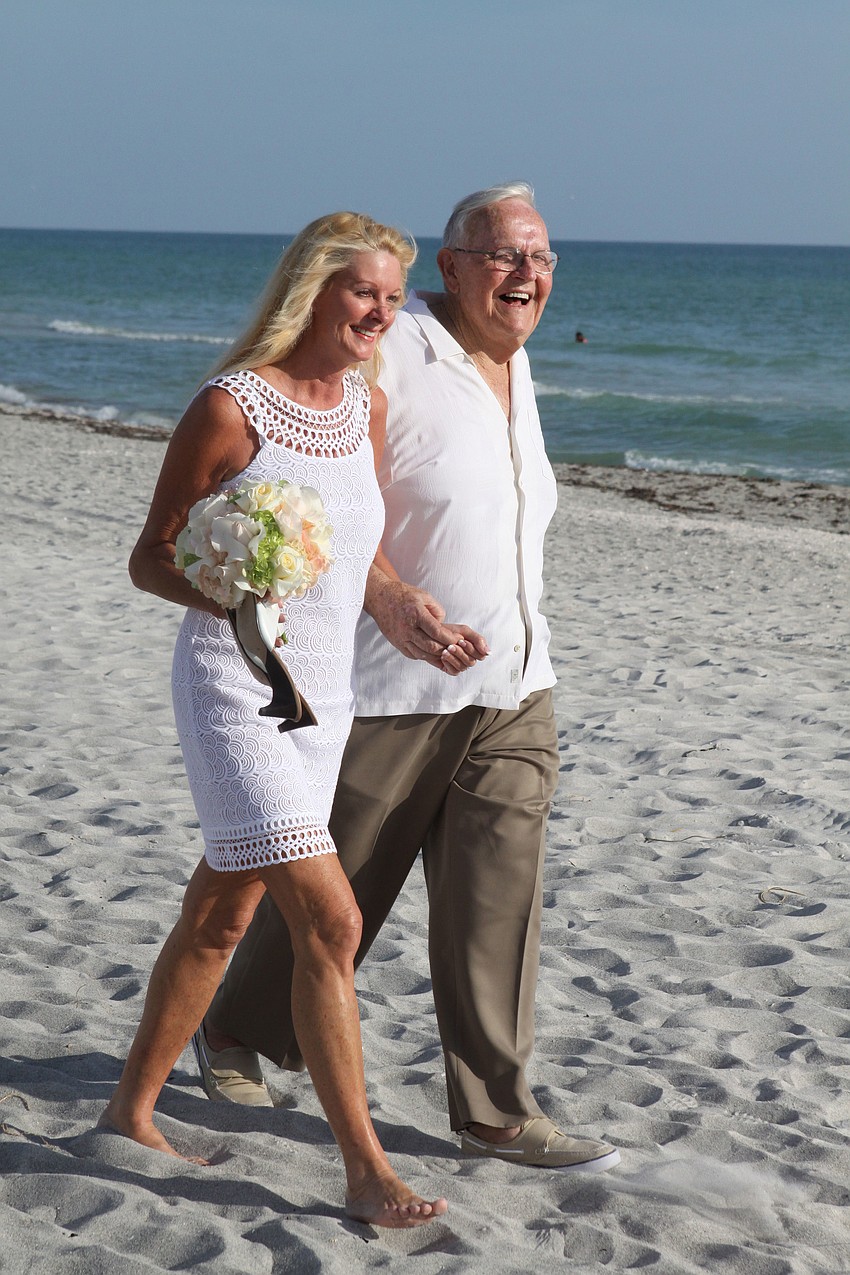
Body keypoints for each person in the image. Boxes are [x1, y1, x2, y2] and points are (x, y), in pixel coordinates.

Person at [201, 184, 621, 1173]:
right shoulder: (391, 353)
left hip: (516, 683)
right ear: (452, 264)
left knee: (495, 899)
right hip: (386, 686)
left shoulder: (517, 371)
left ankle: (494, 1109)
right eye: (506, 256)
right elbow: (310, 491)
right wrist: (387, 594)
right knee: (345, 881)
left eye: (543, 258)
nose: (528, 275)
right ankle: (240, 1030)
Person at [98, 212, 449, 1228]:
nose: (379, 311)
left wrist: (404, 608)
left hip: (323, 701)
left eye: (391, 296)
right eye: (361, 292)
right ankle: (364, 1167)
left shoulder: (363, 408)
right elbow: (150, 556)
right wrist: (241, 591)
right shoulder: (229, 407)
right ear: (311, 290)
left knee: (223, 915)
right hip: (235, 688)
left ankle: (128, 1107)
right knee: (330, 922)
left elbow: (360, 551)